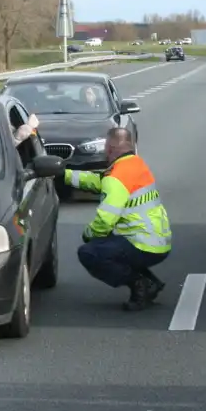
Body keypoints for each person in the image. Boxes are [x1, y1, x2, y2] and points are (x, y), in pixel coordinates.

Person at [65, 127, 171, 310]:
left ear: (110, 148)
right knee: (114, 247)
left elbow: (105, 222)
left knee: (90, 252)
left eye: (106, 147)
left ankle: (140, 284)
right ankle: (149, 282)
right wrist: (64, 175)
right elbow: (100, 182)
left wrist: (88, 233)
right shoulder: (135, 164)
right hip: (158, 240)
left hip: (142, 243)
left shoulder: (116, 177)